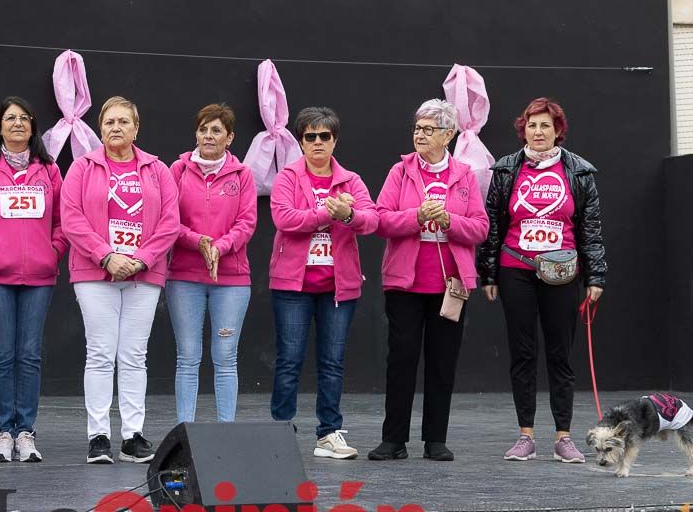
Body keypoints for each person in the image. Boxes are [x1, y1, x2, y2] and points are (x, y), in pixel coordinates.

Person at [478, 97, 606, 464]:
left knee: (560, 353)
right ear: (524, 130)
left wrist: (595, 274)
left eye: (545, 125)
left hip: (562, 270)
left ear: (558, 131)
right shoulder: (506, 170)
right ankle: (525, 436)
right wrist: (488, 271)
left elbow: (590, 229)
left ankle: (563, 437)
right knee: (523, 352)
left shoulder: (579, 172)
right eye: (532, 125)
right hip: (515, 267)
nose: (538, 132)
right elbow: (493, 225)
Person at [61, 96, 179, 464]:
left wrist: (141, 260)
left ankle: (133, 436)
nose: (116, 127)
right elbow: (71, 217)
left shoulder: (158, 170)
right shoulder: (82, 168)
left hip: (144, 275)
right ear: (100, 128)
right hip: (95, 273)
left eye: (123, 122)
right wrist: (107, 256)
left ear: (136, 128)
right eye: (109, 121)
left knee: (133, 355)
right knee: (99, 353)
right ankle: (98, 436)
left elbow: (170, 223)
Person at [369, 99, 489, 462]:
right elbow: (380, 219)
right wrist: (417, 216)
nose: (420, 135)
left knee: (442, 362)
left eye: (428, 129)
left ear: (448, 134)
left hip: (448, 285)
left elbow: (481, 228)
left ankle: (435, 439)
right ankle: (393, 440)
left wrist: (451, 221)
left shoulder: (465, 174)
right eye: (417, 128)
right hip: (404, 283)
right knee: (401, 360)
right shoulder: (400, 171)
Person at [0, 97, 67, 462]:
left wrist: (52, 251)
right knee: (3, 355)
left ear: (33, 127)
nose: (17, 123)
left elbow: (63, 222)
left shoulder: (49, 170)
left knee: (30, 355)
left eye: (24, 118)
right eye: (10, 118)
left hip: (39, 276)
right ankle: (3, 431)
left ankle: (26, 433)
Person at [268, 107, 378, 460]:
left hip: (337, 287)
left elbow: (371, 219)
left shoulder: (351, 180)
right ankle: (280, 430)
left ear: (335, 141)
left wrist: (348, 214)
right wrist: (327, 213)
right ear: (300, 142)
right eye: (310, 136)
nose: (317, 142)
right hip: (292, 288)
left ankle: (328, 433)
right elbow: (283, 218)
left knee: (332, 362)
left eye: (324, 136)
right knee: (289, 360)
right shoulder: (287, 176)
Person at [167, 103, 256, 424]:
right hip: (184, 278)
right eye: (203, 129)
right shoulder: (176, 171)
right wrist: (198, 242)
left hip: (231, 281)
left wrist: (218, 248)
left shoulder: (243, 175)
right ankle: (184, 432)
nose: (208, 135)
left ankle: (225, 431)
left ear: (229, 137)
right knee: (188, 358)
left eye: (216, 130)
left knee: (225, 358)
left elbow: (247, 223)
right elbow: (168, 221)